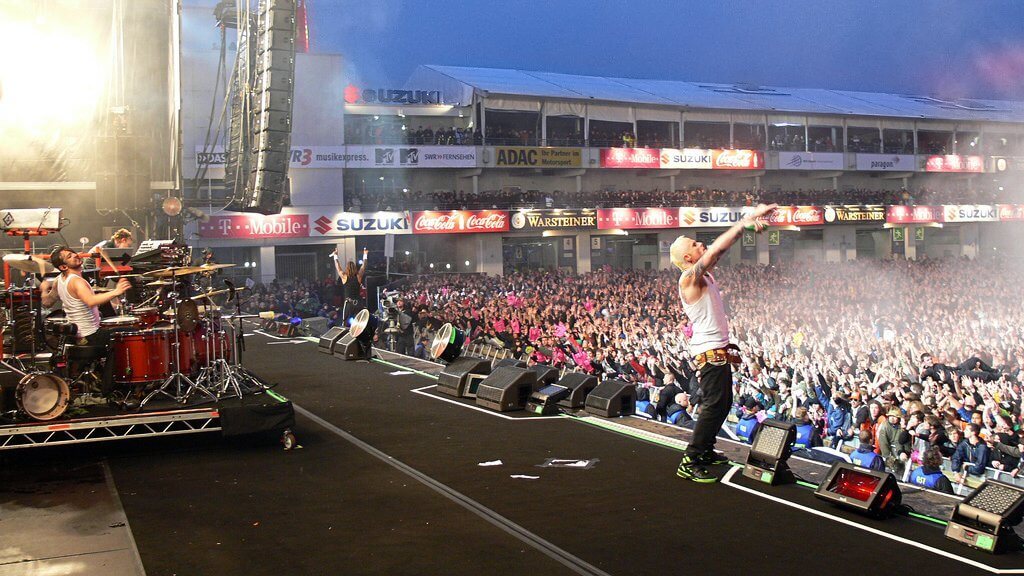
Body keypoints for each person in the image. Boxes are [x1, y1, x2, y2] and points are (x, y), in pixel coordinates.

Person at [671, 202, 777, 483]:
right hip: (709, 352)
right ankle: (690, 459)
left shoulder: (703, 275)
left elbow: (718, 251)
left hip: (718, 351)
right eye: (694, 244)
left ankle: (704, 449)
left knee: (723, 402)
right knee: (714, 405)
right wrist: (744, 222)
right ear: (687, 256)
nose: (701, 244)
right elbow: (718, 248)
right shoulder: (688, 278)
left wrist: (747, 224)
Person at [40, 246, 131, 394]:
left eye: (73, 253)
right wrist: (117, 291)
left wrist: (44, 289)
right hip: (91, 335)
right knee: (130, 334)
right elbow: (90, 301)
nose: (75, 256)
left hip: (77, 335)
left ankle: (106, 381)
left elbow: (47, 302)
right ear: (63, 266)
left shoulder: (59, 280)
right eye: (69, 256)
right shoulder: (77, 282)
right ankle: (111, 387)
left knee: (116, 329)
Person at [332, 247, 368, 325]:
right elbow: (363, 266)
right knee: (360, 322)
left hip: (349, 303)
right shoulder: (358, 276)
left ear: (347, 268)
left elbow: (338, 267)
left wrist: (335, 256)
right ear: (355, 268)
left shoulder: (344, 277)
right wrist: (365, 254)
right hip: (358, 302)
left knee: (345, 323)